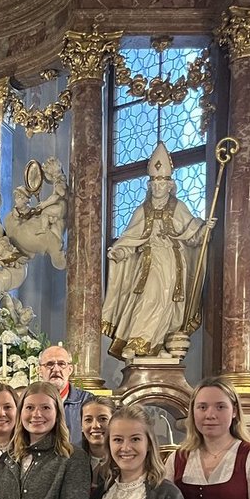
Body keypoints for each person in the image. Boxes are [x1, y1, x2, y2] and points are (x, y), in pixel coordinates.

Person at [102, 141, 215, 361]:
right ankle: (136, 342)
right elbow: (131, 239)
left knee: (169, 302)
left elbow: (191, 236)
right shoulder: (141, 210)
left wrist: (204, 230)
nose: (158, 187)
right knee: (150, 297)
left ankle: (157, 345)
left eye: (162, 183)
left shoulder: (179, 207)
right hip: (150, 260)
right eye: (154, 182)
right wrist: (119, 252)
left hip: (173, 261)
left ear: (170, 185)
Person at [38, 345, 91, 446]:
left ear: (70, 369)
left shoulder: (86, 401)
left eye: (62, 364)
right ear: (40, 370)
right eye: (49, 364)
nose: (56, 369)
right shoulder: (30, 402)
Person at [80, 396, 114, 478]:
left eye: (103, 419)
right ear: (81, 425)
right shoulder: (71, 459)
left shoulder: (125, 458)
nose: (95, 425)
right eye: (88, 420)